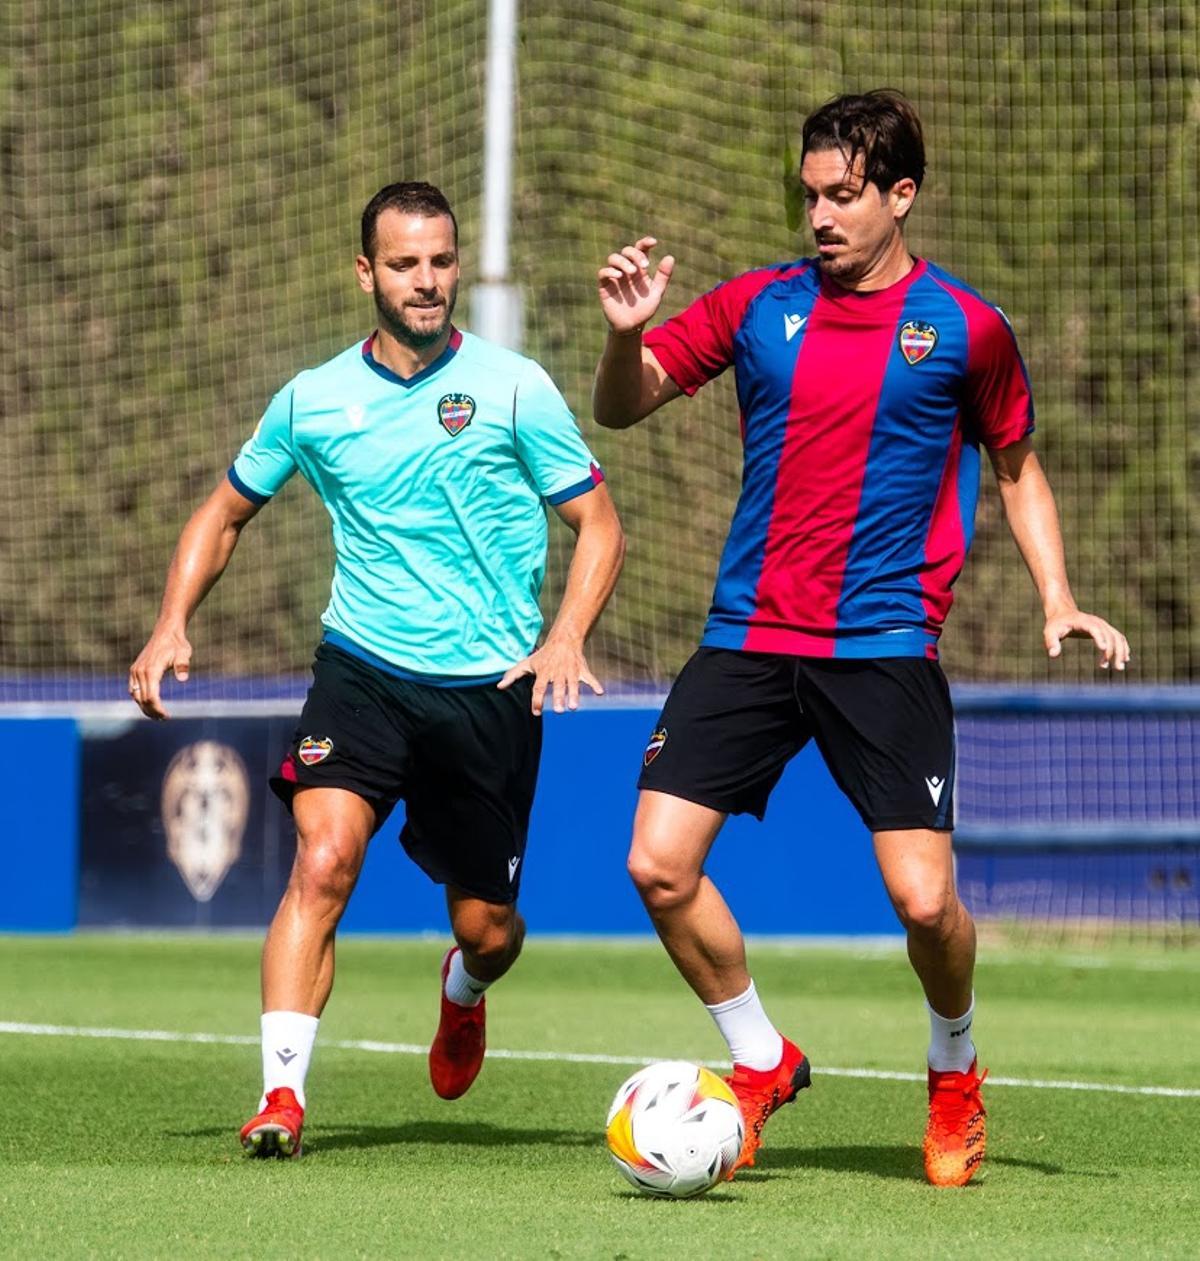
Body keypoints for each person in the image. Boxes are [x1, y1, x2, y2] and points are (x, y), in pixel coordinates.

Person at [592, 90, 1128, 1187]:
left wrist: (1058, 594)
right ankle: (761, 1058)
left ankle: (955, 1065)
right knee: (655, 865)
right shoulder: (756, 306)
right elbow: (623, 407)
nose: (822, 216)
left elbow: (1017, 467)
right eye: (810, 196)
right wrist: (626, 334)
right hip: (747, 634)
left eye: (844, 196)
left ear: (901, 196)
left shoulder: (968, 329)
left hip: (884, 644)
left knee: (926, 901)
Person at [130, 181, 625, 1159]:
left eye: (441, 260)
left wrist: (566, 634)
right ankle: (281, 1096)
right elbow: (224, 511)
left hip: (492, 690)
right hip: (361, 670)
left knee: (489, 927)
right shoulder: (312, 400)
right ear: (367, 272)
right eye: (405, 263)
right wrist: (170, 621)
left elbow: (598, 521)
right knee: (322, 862)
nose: (427, 280)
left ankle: (465, 988)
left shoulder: (516, 385)